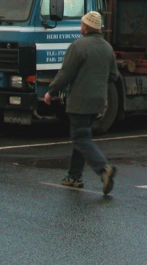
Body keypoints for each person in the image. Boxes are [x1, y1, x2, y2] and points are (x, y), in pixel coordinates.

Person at [43, 10, 119, 194]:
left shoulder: (78, 46)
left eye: (82, 24)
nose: (81, 27)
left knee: (80, 137)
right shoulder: (108, 48)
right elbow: (113, 76)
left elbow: (65, 74)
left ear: (86, 26)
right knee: (82, 136)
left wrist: (51, 91)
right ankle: (74, 177)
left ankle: (103, 169)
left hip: (79, 101)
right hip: (98, 102)